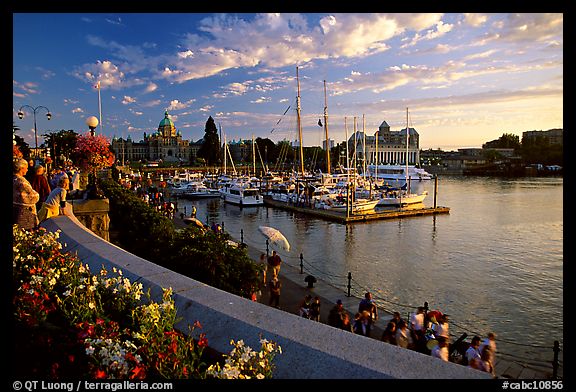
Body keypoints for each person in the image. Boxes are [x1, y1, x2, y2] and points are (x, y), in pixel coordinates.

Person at [13, 158, 40, 230]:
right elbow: (33, 196)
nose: (27, 170)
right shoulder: (22, 181)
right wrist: (36, 194)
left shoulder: (14, 179)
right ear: (21, 168)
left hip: (15, 211)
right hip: (25, 213)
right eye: (26, 168)